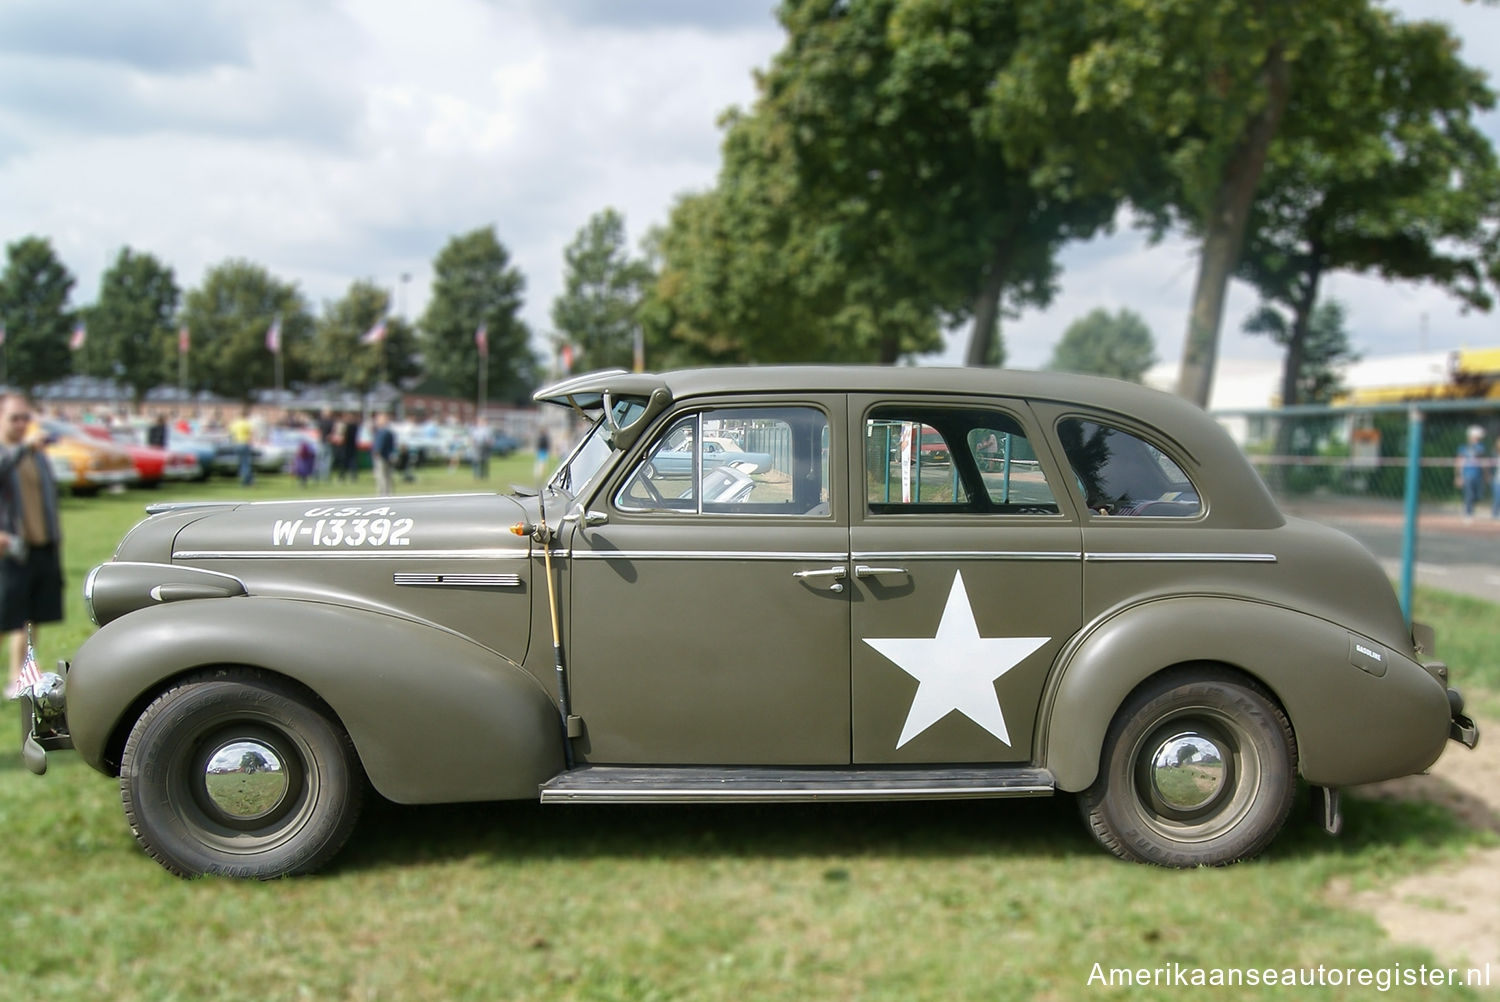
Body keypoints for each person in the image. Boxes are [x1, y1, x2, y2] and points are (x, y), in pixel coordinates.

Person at [0, 394, 63, 700]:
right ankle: (17, 678)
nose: (22, 424)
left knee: (30, 618)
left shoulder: (36, 456)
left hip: (38, 546)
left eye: (26, 417)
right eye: (14, 418)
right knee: (10, 616)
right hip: (8, 548)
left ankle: (22, 677)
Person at [1455, 425, 1487, 522]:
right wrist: (1458, 476)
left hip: (1477, 474)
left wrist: (1486, 474)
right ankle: (1468, 513)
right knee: (1469, 494)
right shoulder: (1463, 448)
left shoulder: (1481, 447)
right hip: (1467, 474)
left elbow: (1483, 460)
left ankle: (1470, 510)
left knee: (1477, 495)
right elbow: (1459, 461)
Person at [371, 412, 396, 496]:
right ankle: (388, 492)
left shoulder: (382, 432)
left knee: (381, 476)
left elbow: (379, 445)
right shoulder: (389, 431)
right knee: (387, 476)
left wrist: (376, 453)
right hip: (388, 456)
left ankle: (383, 493)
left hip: (381, 456)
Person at [230, 406, 255, 486]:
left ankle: (245, 479)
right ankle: (247, 481)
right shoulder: (246, 423)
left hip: (237, 444)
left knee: (241, 463)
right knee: (246, 463)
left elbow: (231, 433)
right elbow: (251, 434)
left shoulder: (235, 423)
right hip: (244, 443)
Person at [315, 408, 336, 482]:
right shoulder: (330, 421)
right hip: (325, 442)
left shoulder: (322, 421)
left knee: (322, 460)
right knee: (324, 460)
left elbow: (319, 432)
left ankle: (320, 476)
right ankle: (322, 476)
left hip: (324, 442)